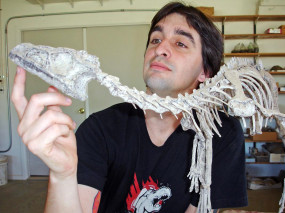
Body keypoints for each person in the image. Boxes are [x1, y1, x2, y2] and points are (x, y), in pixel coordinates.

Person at [11, 2, 247, 213]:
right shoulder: (99, 129)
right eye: (155, 40)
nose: (160, 48)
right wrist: (62, 176)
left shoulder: (220, 132)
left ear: (205, 72)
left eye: (180, 43)